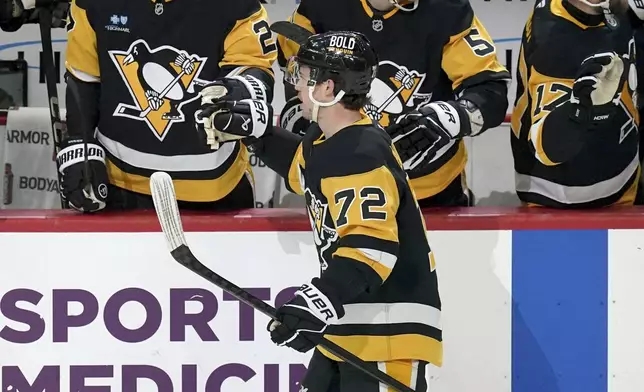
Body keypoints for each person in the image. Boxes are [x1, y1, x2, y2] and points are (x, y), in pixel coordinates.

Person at [195, 30, 442, 391]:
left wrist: (319, 300)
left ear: (328, 89)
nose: (296, 85)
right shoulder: (327, 140)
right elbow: (303, 170)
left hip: (389, 328)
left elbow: (372, 248)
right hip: (351, 326)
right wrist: (256, 133)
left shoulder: (362, 152)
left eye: (304, 75)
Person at [275, 0, 511, 207]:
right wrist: (301, 116)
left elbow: (489, 90)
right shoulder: (320, 7)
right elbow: (295, 70)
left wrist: (452, 117)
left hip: (428, 187)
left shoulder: (447, 10)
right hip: (341, 182)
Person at [56, 0, 277, 212]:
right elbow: (83, 77)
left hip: (214, 185)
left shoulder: (235, 5)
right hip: (120, 181)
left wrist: (238, 91)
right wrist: (81, 145)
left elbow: (252, 66)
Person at [510, 0, 643, 208]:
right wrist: (585, 110)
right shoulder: (554, 43)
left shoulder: (604, 7)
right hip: (561, 196)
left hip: (625, 172)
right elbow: (547, 148)